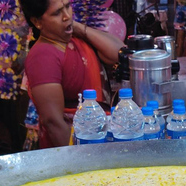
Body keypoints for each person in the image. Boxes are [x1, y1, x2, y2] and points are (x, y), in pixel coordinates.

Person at [19, 0, 124, 148]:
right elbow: (53, 122)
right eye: (57, 13)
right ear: (37, 22)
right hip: (74, 147)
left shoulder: (76, 39)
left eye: (67, 7)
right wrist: (76, 160)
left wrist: (79, 28)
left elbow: (120, 53)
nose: (67, 16)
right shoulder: (43, 55)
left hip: (96, 140)